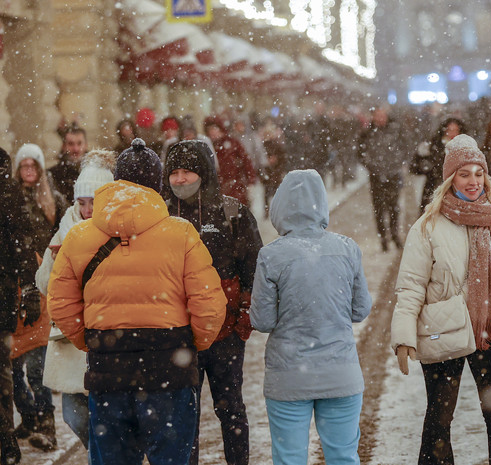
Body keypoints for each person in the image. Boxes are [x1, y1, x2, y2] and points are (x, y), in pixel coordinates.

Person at [47, 138, 227, 465]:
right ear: (158, 184)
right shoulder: (181, 233)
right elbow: (210, 304)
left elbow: (59, 303)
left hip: (108, 372)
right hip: (169, 369)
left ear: (116, 180)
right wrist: (191, 344)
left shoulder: (79, 237)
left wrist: (90, 341)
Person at [391, 134, 491, 465]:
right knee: (439, 418)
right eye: (464, 174)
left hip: (490, 329)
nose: (473, 181)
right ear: (450, 179)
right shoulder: (427, 227)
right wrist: (403, 338)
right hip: (442, 327)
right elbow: (410, 286)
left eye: (478, 173)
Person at [250, 169, 372, 465]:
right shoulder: (346, 249)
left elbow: (263, 320)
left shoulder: (271, 256)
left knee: (290, 458)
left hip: (288, 376)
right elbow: (361, 309)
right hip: (340, 372)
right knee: (343, 456)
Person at [163, 140, 262, 465]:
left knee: (230, 408)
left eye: (187, 171)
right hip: (177, 335)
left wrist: (245, 310)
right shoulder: (159, 216)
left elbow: (253, 268)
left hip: (225, 334)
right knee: (183, 416)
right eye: (174, 172)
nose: (180, 179)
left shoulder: (232, 213)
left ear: (203, 173)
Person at [36, 149, 117, 449]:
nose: (85, 210)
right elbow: (43, 283)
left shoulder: (119, 231)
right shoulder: (65, 227)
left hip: (108, 338)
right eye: (81, 202)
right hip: (72, 340)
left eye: (93, 203)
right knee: (73, 415)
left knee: (106, 418)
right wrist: (58, 265)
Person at [10, 143, 69, 452]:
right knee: (12, 365)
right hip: (15, 283)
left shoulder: (54, 200)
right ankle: (30, 416)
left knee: (36, 364)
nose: (29, 171)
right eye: (24, 166)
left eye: (34, 165)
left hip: (41, 282)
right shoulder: (9, 199)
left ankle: (45, 423)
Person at [0, 146, 41, 465]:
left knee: (5, 372)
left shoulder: (6, 186)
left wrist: (28, 290)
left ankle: (5, 441)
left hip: (2, 296)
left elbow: (21, 244)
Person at [358, 107, 405, 251]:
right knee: (379, 208)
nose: (380, 118)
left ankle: (394, 233)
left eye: (382, 115)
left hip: (393, 173)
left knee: (394, 206)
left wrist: (398, 162)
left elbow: (405, 147)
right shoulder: (367, 133)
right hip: (376, 175)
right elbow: (360, 153)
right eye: (377, 116)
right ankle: (383, 237)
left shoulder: (395, 130)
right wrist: (371, 166)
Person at [204, 116, 258, 206]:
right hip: (216, 190)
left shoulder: (233, 143)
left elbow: (246, 161)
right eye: (209, 130)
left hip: (235, 188)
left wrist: (251, 181)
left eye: (214, 128)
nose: (212, 132)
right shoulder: (207, 145)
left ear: (220, 129)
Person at [418, 117, 464, 212]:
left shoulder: (464, 147)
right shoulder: (435, 146)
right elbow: (420, 166)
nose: (452, 133)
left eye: (455, 130)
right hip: (435, 186)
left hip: (458, 189)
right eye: (449, 130)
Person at [49, 125, 88, 201]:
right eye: (71, 144)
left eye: (79, 143)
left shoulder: (96, 172)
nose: (76, 149)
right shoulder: (53, 175)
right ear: (64, 146)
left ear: (86, 145)